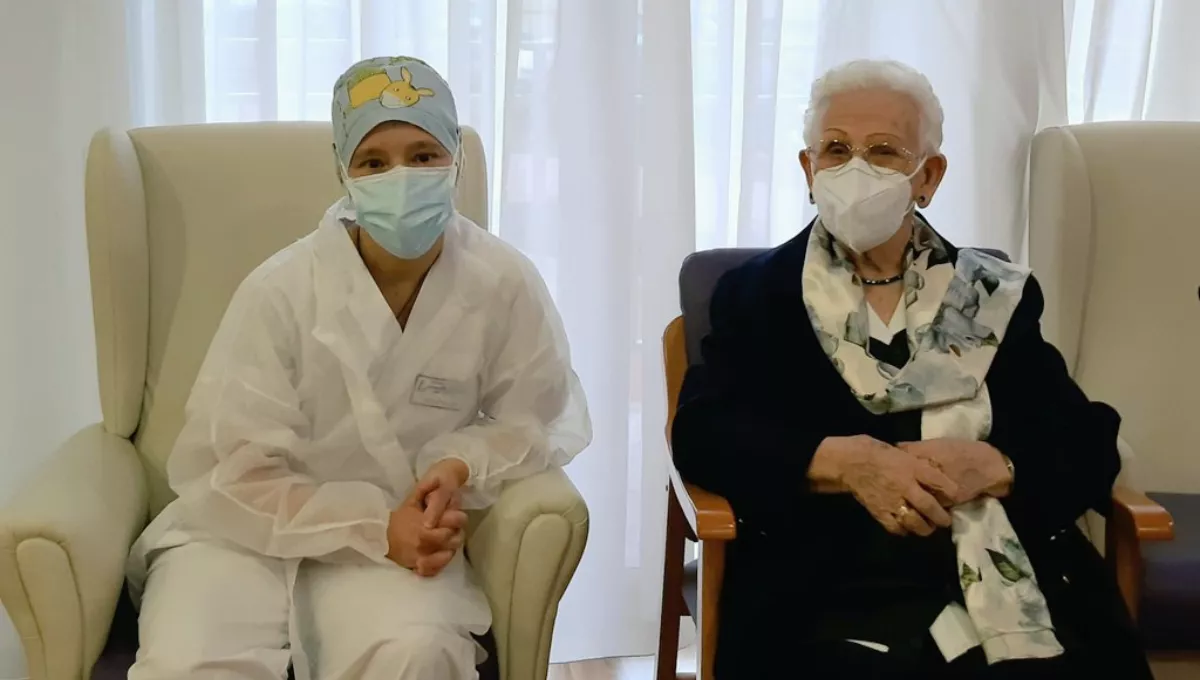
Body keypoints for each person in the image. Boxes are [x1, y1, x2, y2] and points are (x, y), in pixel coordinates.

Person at [671, 59, 1151, 679]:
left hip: (1004, 573)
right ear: (808, 169)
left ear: (928, 176)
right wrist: (843, 463)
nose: (856, 169)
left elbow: (1086, 440)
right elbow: (705, 434)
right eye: (835, 149)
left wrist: (1000, 467)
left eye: (883, 151)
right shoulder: (756, 295)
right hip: (826, 580)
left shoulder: (990, 294)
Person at [125, 56, 591, 680]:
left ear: (455, 158)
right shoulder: (282, 290)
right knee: (189, 664)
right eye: (374, 162)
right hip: (239, 535)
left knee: (416, 651)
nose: (401, 177)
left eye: (424, 155)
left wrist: (459, 462)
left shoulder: (502, 282)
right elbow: (230, 470)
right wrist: (374, 526)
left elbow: (537, 416)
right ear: (344, 172)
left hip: (399, 538)